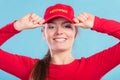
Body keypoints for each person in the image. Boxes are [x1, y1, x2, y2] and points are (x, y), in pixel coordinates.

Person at [0, 3, 120, 80]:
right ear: (44, 33)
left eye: (67, 26)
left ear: (75, 32)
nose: (59, 32)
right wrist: (16, 26)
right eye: (51, 27)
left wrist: (97, 23)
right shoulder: (30, 68)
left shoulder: (93, 66)